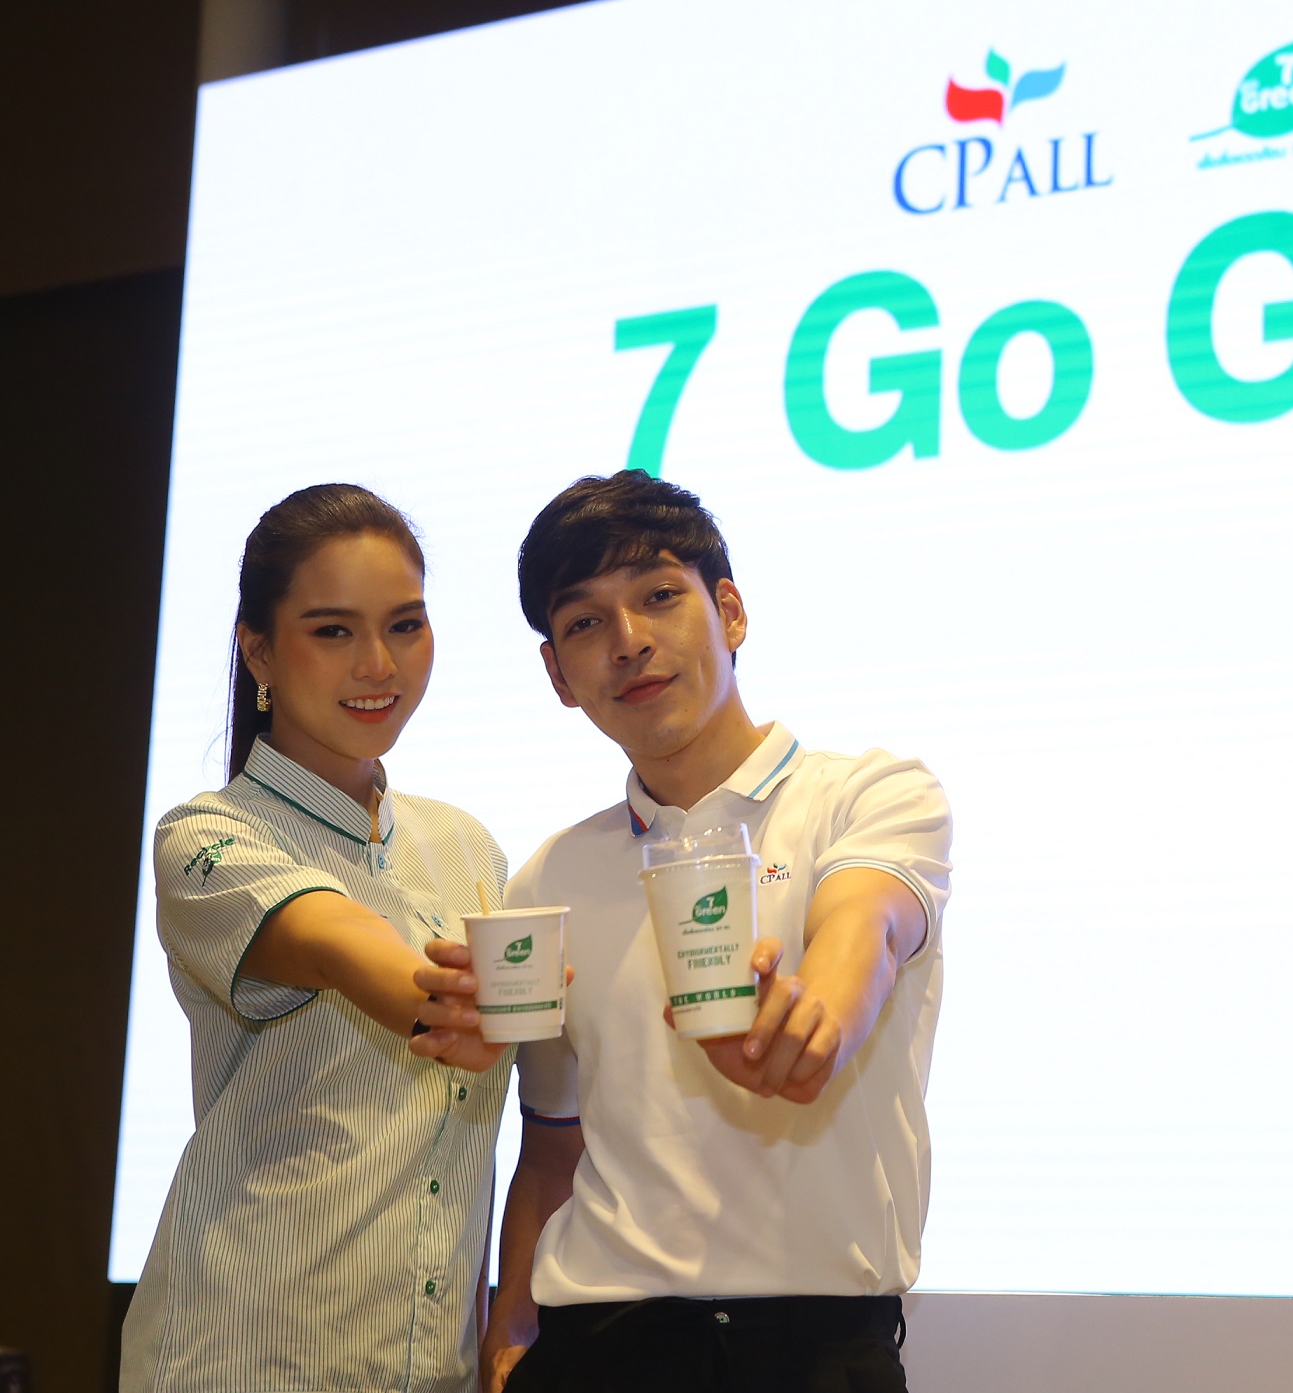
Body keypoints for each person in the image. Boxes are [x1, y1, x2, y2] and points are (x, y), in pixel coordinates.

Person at [414, 472, 951, 1393]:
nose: (629, 641)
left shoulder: (869, 794)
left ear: (730, 611)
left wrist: (813, 1022)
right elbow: (554, 1142)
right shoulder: (550, 876)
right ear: (558, 675)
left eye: (660, 595)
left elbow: (866, 924)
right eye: (586, 621)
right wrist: (509, 1324)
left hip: (817, 1350)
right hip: (599, 1342)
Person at [124, 484, 515, 1393]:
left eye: (405, 625)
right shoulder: (207, 836)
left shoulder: (469, 847)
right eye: (333, 630)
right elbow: (339, 940)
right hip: (243, 1357)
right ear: (258, 648)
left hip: (432, 1365)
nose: (378, 663)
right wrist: (453, 1002)